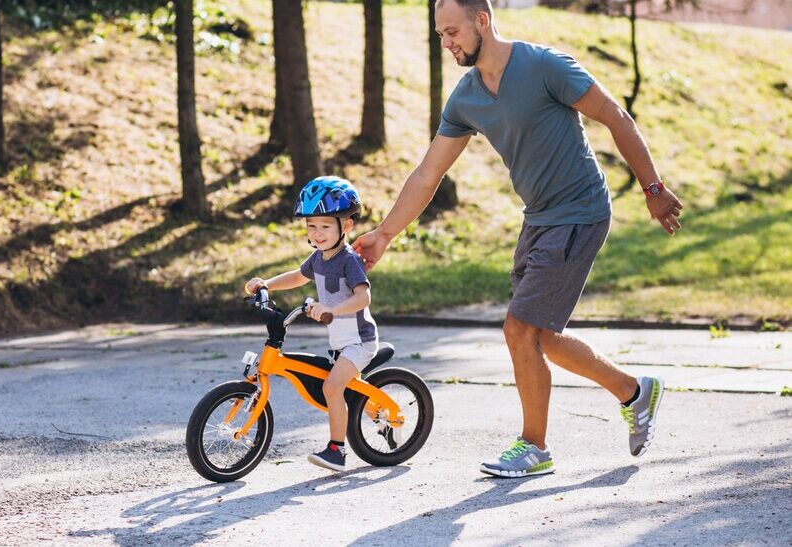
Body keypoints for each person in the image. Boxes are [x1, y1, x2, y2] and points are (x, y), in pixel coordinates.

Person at [353, 0, 682, 478]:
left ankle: (534, 446)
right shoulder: (467, 97)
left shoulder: (544, 65)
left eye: (453, 32)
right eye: (441, 35)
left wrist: (652, 188)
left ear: (482, 20)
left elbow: (615, 116)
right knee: (541, 336)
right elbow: (428, 173)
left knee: (519, 329)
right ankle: (634, 391)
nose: (447, 44)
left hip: (581, 211)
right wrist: (384, 233)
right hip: (540, 218)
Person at [245, 176, 379, 472]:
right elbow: (297, 276)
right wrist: (266, 283)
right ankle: (368, 413)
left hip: (361, 340)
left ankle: (337, 451)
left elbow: (363, 297)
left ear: (346, 226)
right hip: (340, 342)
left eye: (325, 226)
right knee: (336, 386)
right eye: (311, 226)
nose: (317, 234)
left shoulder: (348, 260)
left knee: (332, 387)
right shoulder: (319, 258)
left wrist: (332, 308)